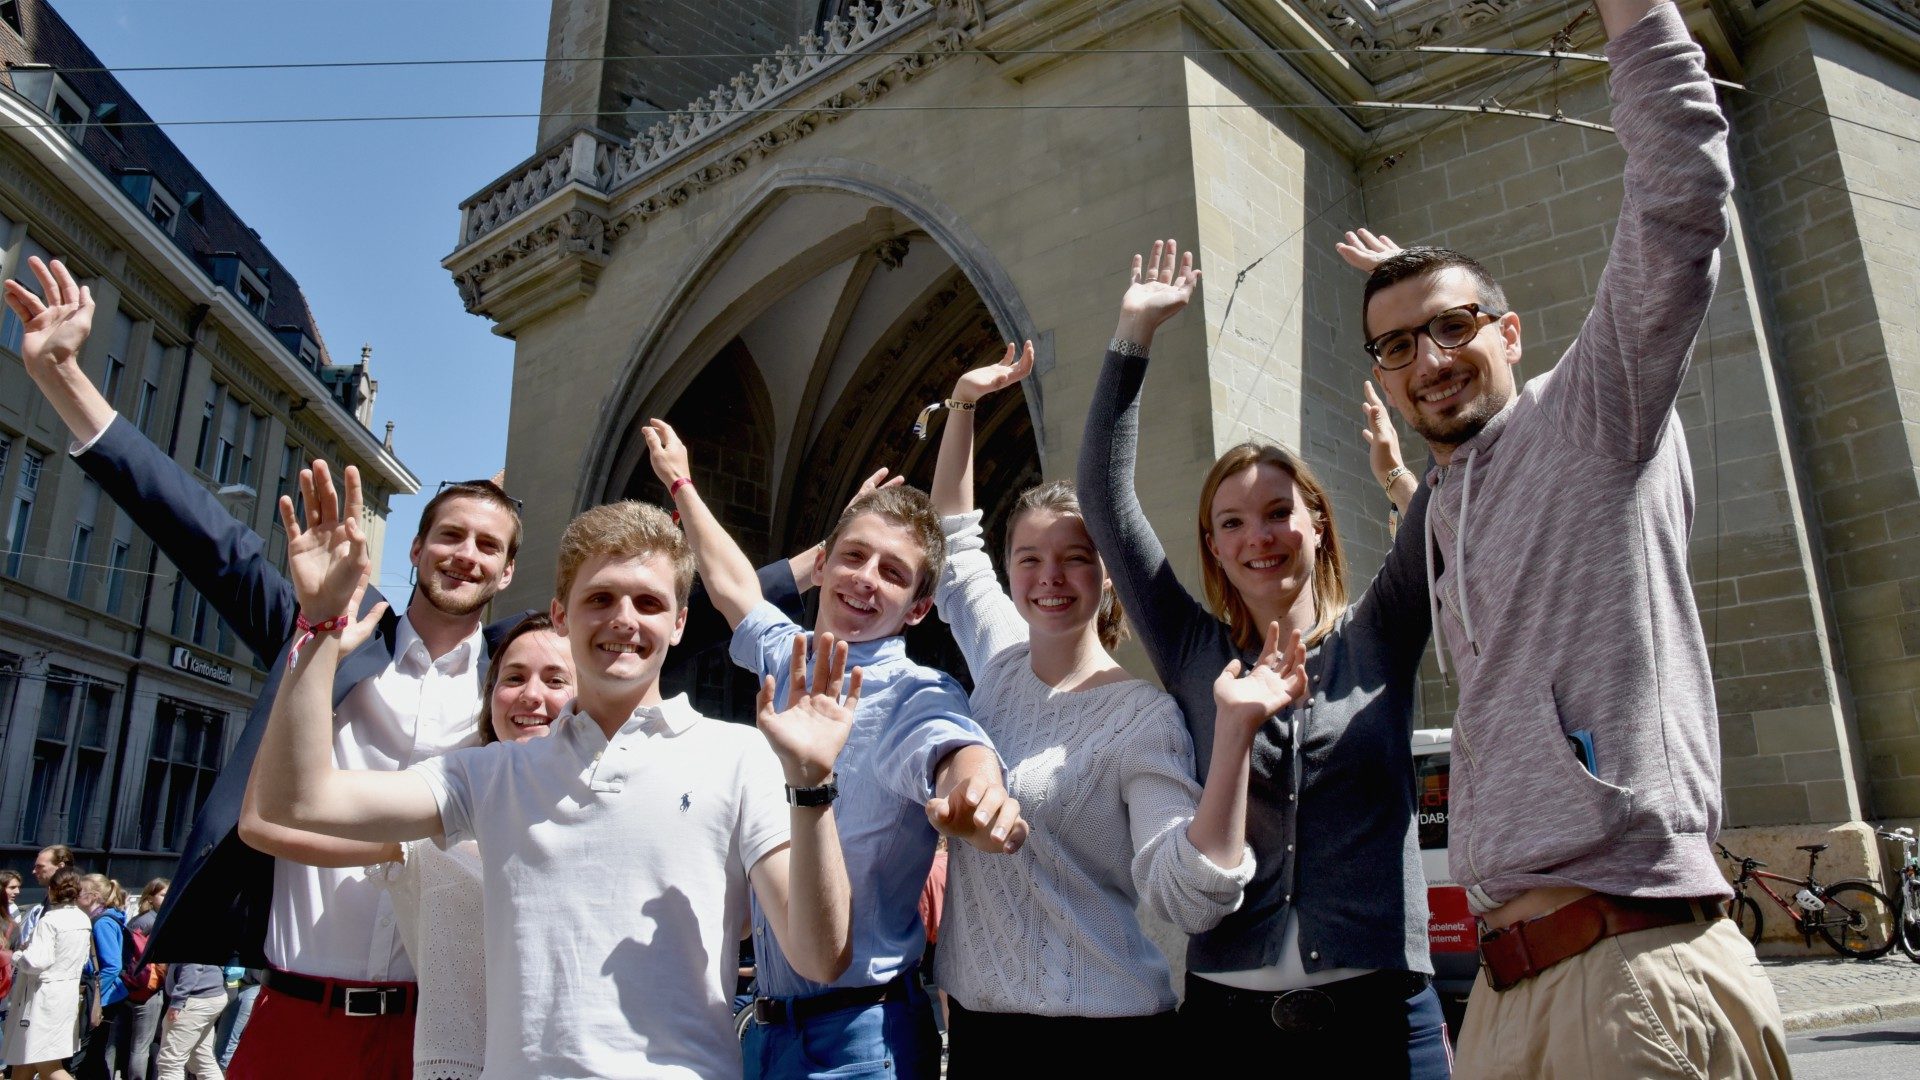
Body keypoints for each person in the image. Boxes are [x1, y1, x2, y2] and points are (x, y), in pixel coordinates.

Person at [1343, 3, 1788, 1075]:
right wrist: (1407, 480)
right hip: (1506, 992)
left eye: (1455, 327)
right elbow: (1489, 523)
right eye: (1398, 346)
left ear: (1512, 333)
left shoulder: (1589, 413)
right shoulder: (1451, 499)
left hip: (1626, 971)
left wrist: (1634, 15)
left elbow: (1680, 197)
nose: (1431, 359)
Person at [5, 256, 534, 1079]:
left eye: (488, 547)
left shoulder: (523, 683)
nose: (466, 555)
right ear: (418, 549)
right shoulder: (328, 631)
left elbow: (636, 631)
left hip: (446, 1031)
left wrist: (810, 574)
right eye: (451, 535)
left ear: (507, 574)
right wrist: (64, 375)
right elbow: (199, 532)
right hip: (296, 1015)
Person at [252, 459, 858, 1078]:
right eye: (600, 598)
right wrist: (320, 630)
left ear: (678, 623)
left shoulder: (739, 755)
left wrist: (812, 787)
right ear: (562, 616)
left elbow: (818, 957)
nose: (624, 619)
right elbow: (293, 803)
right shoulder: (491, 775)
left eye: (648, 601)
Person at [1078, 238, 1446, 1074]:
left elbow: (1451, 486)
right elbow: (1103, 496)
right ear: (1211, 545)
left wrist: (1409, 295)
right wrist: (1132, 336)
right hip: (1229, 1028)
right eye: (1232, 523)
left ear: (1317, 521)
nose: (1259, 539)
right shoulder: (1191, 647)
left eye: (1279, 512)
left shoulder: (1380, 629)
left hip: (1387, 1017)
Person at [925, 343, 1292, 1073]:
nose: (1050, 578)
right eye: (1030, 558)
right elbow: (952, 542)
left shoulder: (1141, 717)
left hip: (1107, 1040)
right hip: (979, 1034)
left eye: (1076, 558)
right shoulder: (997, 662)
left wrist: (1234, 739)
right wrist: (964, 402)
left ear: (1108, 579)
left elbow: (1186, 896)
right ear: (1011, 573)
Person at [649, 419, 1024, 1080]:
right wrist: (680, 481)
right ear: (822, 565)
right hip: (763, 1032)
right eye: (854, 556)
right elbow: (735, 586)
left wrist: (979, 792)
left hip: (861, 1039)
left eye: (893, 572)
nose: (866, 579)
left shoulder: (915, 689)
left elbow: (958, 749)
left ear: (916, 609)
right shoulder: (788, 654)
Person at [3, 866, 90, 1080]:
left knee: (48, 1064)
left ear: (52, 890)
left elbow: (36, 962)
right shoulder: (82, 919)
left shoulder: (50, 920)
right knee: (25, 1059)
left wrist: (15, 956)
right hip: (65, 995)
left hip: (42, 998)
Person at [73, 875, 129, 1080]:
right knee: (93, 1056)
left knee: (88, 1054)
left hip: (104, 999)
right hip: (107, 996)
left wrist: (93, 994)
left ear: (93, 896)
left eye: (79, 892)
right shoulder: (103, 918)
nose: (74, 895)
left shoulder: (102, 923)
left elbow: (112, 966)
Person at [121, 879, 169, 1080]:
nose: (167, 898)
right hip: (147, 988)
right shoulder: (150, 921)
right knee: (140, 1046)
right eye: (163, 894)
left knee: (133, 1043)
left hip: (136, 987)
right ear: (150, 896)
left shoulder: (145, 919)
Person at [154, 962, 226, 1080]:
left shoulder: (188, 943)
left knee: (170, 1064)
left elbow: (193, 965)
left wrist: (178, 1001)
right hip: (209, 996)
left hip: (194, 1001)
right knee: (201, 1060)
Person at [16, 848, 75, 951]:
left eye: (40, 867)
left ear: (60, 867)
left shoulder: (75, 903)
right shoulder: (40, 907)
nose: (34, 871)